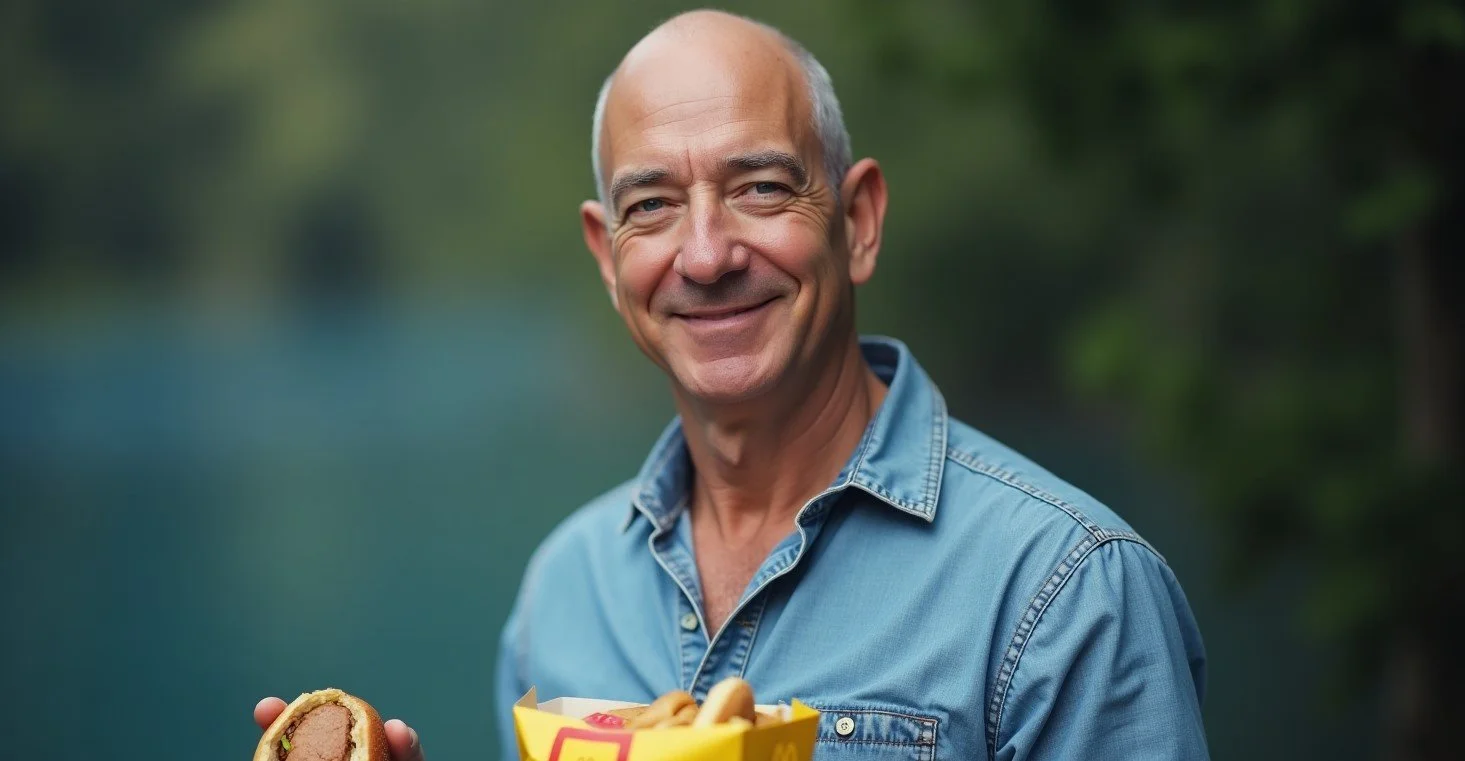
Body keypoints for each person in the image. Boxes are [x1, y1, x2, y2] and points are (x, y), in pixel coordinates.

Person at [256, 9, 1209, 761]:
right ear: (606, 252)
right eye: (653, 206)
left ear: (859, 220)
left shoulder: (1066, 591)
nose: (705, 255)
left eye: (758, 188)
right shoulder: (565, 591)